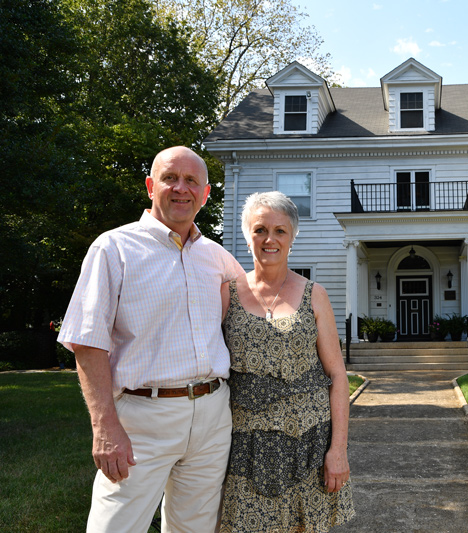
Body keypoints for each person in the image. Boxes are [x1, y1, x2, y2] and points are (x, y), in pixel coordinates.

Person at [58, 146, 245, 532]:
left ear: (206, 193)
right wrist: (104, 427)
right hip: (142, 418)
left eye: (192, 181)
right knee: (114, 527)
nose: (181, 188)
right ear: (150, 186)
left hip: (212, 415)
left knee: (196, 528)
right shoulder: (114, 248)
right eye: (170, 178)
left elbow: (236, 322)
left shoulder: (219, 258)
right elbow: (86, 342)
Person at [219, 191, 355, 532]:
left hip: (308, 439)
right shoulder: (226, 294)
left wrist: (337, 450)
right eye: (260, 229)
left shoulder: (315, 295)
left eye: (280, 231)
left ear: (292, 237)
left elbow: (337, 375)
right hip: (245, 443)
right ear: (247, 235)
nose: (270, 239)